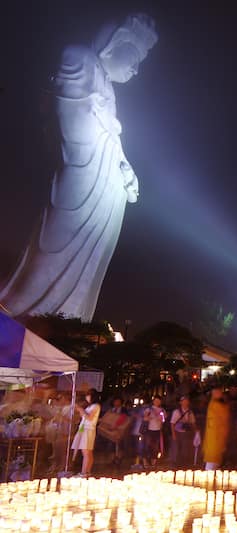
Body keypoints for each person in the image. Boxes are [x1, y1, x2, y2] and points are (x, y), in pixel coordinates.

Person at [0, 14, 158, 321]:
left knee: (93, 260)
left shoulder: (109, 88)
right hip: (83, 172)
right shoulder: (78, 57)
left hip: (106, 183)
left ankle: (69, 324)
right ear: (115, 43)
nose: (136, 68)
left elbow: (112, 134)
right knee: (55, 248)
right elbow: (72, 124)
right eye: (134, 56)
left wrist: (126, 168)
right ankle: (18, 315)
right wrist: (106, 132)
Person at [71, 388, 101, 477]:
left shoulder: (96, 406)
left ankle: (84, 472)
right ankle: (86, 472)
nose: (87, 397)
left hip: (88, 429)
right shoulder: (89, 406)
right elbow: (84, 416)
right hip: (83, 428)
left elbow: (89, 417)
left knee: (86, 452)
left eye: (88, 395)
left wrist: (80, 409)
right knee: (87, 451)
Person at [202, 385, 230, 471]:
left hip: (219, 438)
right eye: (216, 393)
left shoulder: (220, 405)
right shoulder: (214, 405)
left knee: (216, 461)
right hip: (213, 437)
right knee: (211, 462)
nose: (219, 394)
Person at [170, 395, 197, 468]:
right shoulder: (176, 412)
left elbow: (193, 423)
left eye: (186, 401)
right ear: (180, 402)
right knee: (176, 448)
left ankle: (183, 463)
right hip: (177, 432)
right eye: (183, 401)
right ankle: (175, 463)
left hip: (186, 433)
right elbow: (172, 423)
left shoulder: (190, 412)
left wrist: (196, 432)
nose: (185, 402)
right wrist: (173, 434)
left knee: (185, 449)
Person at [142, 396, 166, 468]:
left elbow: (163, 420)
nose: (157, 402)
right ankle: (145, 462)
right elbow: (144, 418)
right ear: (153, 401)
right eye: (156, 401)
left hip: (157, 430)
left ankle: (153, 462)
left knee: (155, 447)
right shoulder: (148, 409)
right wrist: (149, 418)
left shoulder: (162, 410)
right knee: (147, 446)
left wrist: (161, 418)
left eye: (159, 401)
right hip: (149, 430)